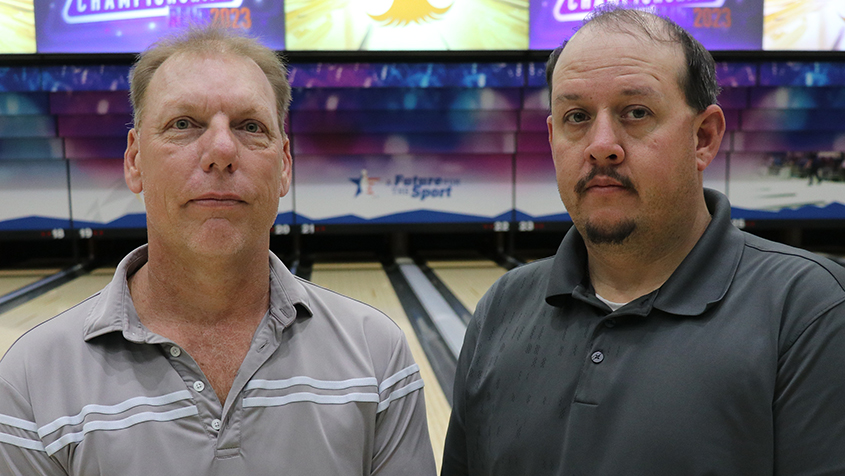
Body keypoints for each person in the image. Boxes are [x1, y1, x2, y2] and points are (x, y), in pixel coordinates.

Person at [0, 27, 436, 475]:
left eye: (250, 127)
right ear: (134, 162)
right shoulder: (31, 380)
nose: (222, 151)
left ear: (284, 165)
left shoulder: (378, 357)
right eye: (183, 124)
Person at [442, 7, 845, 476]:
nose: (602, 144)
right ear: (553, 139)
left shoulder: (810, 311)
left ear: (704, 137)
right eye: (576, 116)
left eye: (637, 113)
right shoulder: (501, 308)